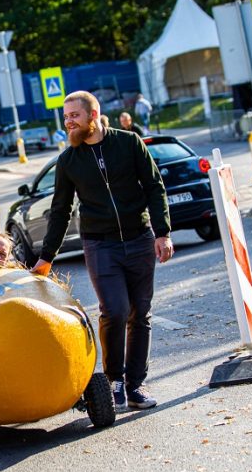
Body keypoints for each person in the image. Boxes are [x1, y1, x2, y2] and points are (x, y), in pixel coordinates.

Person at [31, 91, 172, 411]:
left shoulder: (129, 143)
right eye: (65, 117)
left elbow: (154, 186)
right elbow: (60, 210)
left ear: (92, 115)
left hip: (139, 239)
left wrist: (162, 233)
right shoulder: (68, 161)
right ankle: (115, 379)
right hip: (99, 244)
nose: (68, 122)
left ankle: (135, 385)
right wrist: (46, 257)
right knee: (116, 310)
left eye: (74, 116)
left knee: (141, 313)